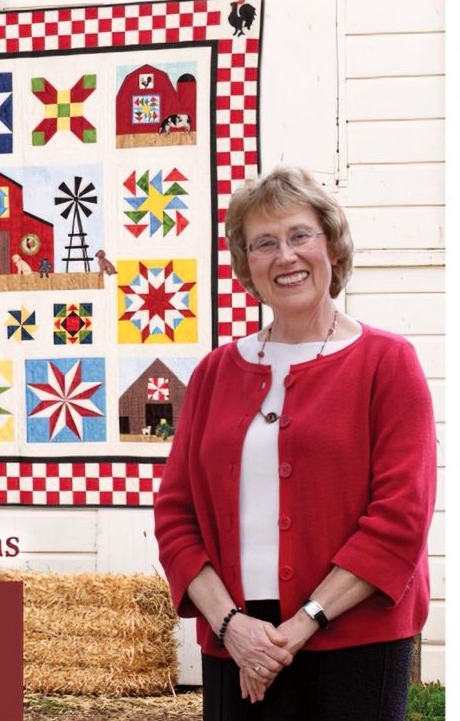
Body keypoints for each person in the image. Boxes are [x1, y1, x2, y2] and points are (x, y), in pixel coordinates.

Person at [153, 166, 436, 720]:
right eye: (264, 243)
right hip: (237, 642)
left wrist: (300, 624)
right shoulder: (214, 372)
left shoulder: (386, 363)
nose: (285, 256)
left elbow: (400, 517)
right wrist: (232, 626)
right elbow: (175, 512)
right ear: (246, 265)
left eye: (300, 235)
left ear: (330, 245)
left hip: (355, 638)